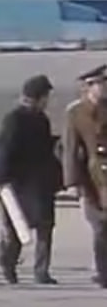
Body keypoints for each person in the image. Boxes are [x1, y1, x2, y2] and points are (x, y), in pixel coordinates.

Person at [0, 74, 62, 285]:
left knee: (45, 226)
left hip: (40, 182)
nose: (47, 101)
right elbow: (5, 151)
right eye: (45, 96)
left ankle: (41, 271)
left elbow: (47, 152)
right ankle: (8, 263)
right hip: (18, 183)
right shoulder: (14, 119)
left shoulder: (42, 119)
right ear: (37, 97)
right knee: (16, 228)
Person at [62, 65, 107, 289]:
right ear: (89, 87)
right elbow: (70, 148)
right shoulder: (76, 112)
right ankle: (103, 272)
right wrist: (71, 182)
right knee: (100, 226)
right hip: (93, 178)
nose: (104, 88)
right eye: (100, 84)